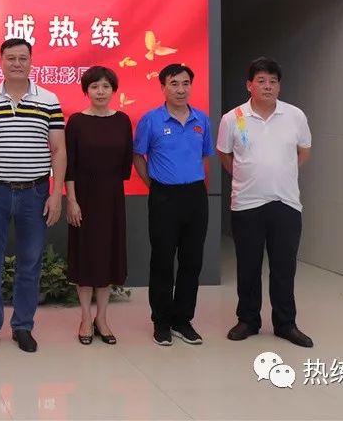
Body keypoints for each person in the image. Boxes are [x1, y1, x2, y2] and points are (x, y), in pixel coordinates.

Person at [0, 38, 65, 353]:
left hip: (34, 192)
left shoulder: (49, 100)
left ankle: (23, 326)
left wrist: (56, 193)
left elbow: (58, 149)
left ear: (31, 61)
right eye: (11, 58)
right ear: (1, 61)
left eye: (23, 58)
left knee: (30, 261)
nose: (17, 64)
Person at [217, 57, 314, 348]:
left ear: (279, 86)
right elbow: (224, 154)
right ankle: (248, 320)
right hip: (246, 203)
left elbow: (304, 151)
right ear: (249, 85)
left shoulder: (295, 115)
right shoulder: (233, 118)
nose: (267, 86)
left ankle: (286, 323)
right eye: (261, 81)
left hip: (286, 202)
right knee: (248, 266)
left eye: (273, 81)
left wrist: (281, 172)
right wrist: (247, 174)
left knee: (284, 267)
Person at [133, 63, 212, 347]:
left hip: (195, 196)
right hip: (163, 196)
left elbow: (205, 156)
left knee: (192, 260)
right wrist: (154, 185)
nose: (180, 89)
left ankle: (183, 320)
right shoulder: (151, 120)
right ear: (163, 87)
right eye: (174, 83)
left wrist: (193, 181)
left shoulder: (202, 120)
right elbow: (138, 156)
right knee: (163, 260)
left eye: (185, 83)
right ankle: (162, 322)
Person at [65, 66, 133, 346]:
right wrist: (71, 201)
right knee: (85, 257)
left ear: (113, 90)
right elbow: (69, 166)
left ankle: (102, 318)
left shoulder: (123, 120)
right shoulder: (76, 122)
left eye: (105, 86)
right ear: (86, 90)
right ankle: (85, 317)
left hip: (112, 197)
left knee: (108, 257)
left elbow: (126, 164)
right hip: (83, 197)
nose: (100, 92)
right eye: (94, 86)